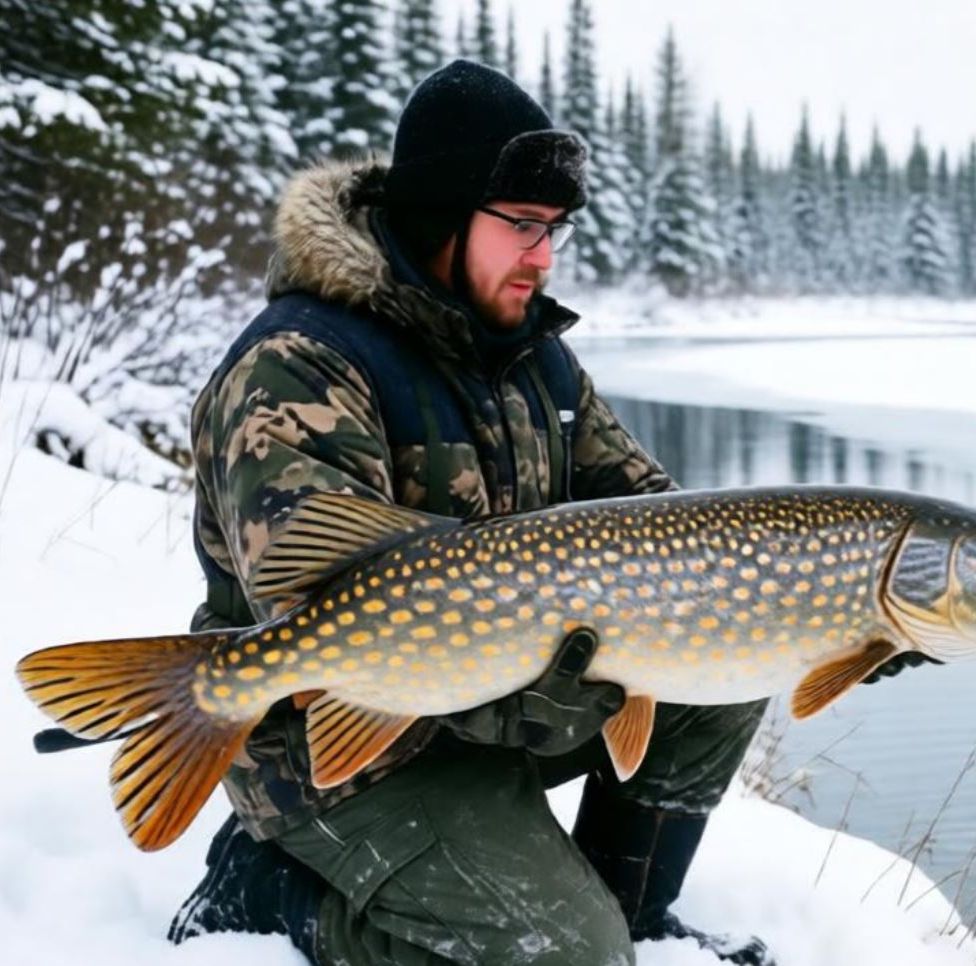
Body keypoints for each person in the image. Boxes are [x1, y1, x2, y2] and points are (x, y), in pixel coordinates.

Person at [165, 60, 771, 966]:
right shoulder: (301, 367)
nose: (545, 256)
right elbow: (315, 600)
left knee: (730, 657)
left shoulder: (535, 362)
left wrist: (852, 615)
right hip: (325, 734)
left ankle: (631, 910)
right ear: (442, 216)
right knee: (567, 956)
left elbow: (659, 519)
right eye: (522, 227)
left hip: (482, 697)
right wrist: (530, 677)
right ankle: (273, 891)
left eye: (555, 229)